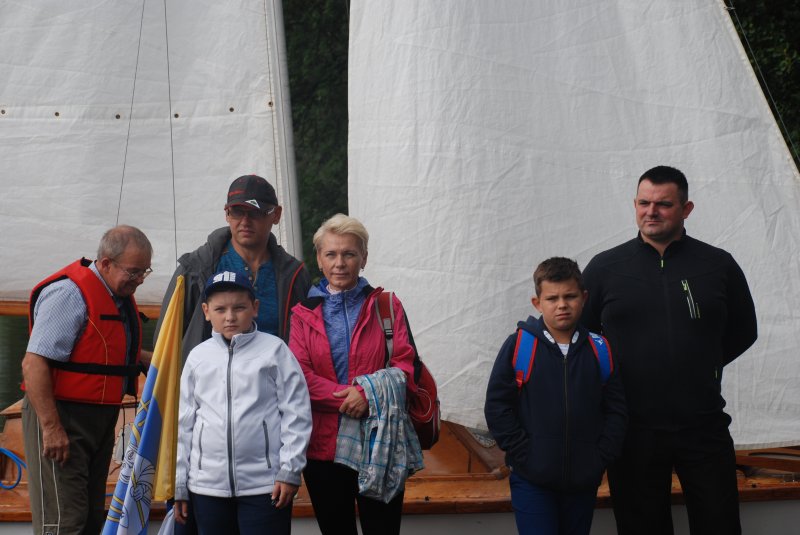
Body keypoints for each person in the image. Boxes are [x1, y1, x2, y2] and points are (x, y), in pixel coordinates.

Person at [581, 166, 758, 534]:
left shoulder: (717, 265)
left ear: (686, 209)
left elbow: (744, 331)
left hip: (704, 424)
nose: (652, 211)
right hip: (632, 429)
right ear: (634, 205)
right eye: (644, 203)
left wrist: (702, 365)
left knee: (720, 525)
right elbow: (583, 339)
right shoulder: (605, 268)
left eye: (663, 204)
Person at [288, 214, 421, 535]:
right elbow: (299, 376)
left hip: (380, 440)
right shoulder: (302, 314)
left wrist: (365, 395)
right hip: (324, 448)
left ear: (364, 257)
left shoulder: (387, 306)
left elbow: (405, 364)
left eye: (349, 253)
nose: (340, 263)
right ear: (319, 259)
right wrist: (351, 399)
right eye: (331, 254)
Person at [21, 225, 154, 535]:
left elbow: (104, 352)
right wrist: (51, 428)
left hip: (100, 420)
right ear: (106, 263)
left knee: (92, 518)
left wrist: (160, 361)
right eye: (134, 272)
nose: (139, 280)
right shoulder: (69, 295)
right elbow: (34, 363)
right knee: (65, 521)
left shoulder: (116, 295)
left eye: (145, 272)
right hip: (62, 417)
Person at [484, 257, 627, 535]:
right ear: (537, 303)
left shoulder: (599, 349)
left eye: (570, 296)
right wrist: (525, 455)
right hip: (532, 481)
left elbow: (616, 410)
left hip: (583, 481)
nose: (562, 305)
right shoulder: (519, 345)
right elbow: (497, 407)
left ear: (584, 298)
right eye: (552, 298)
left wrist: (599, 457)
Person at [174, 269, 311, 535]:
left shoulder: (275, 351)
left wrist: (290, 470)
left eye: (239, 308)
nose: (230, 317)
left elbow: (297, 413)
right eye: (220, 309)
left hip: (265, 486)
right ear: (206, 311)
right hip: (206, 487)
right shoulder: (197, 357)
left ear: (254, 308)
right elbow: (184, 423)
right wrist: (181, 482)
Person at [154, 174, 311, 361]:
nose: (245, 221)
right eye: (237, 211)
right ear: (227, 214)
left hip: (275, 377)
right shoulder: (194, 269)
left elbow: (308, 346)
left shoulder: (295, 275)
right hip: (207, 378)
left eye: (255, 212)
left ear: (276, 215)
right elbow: (165, 343)